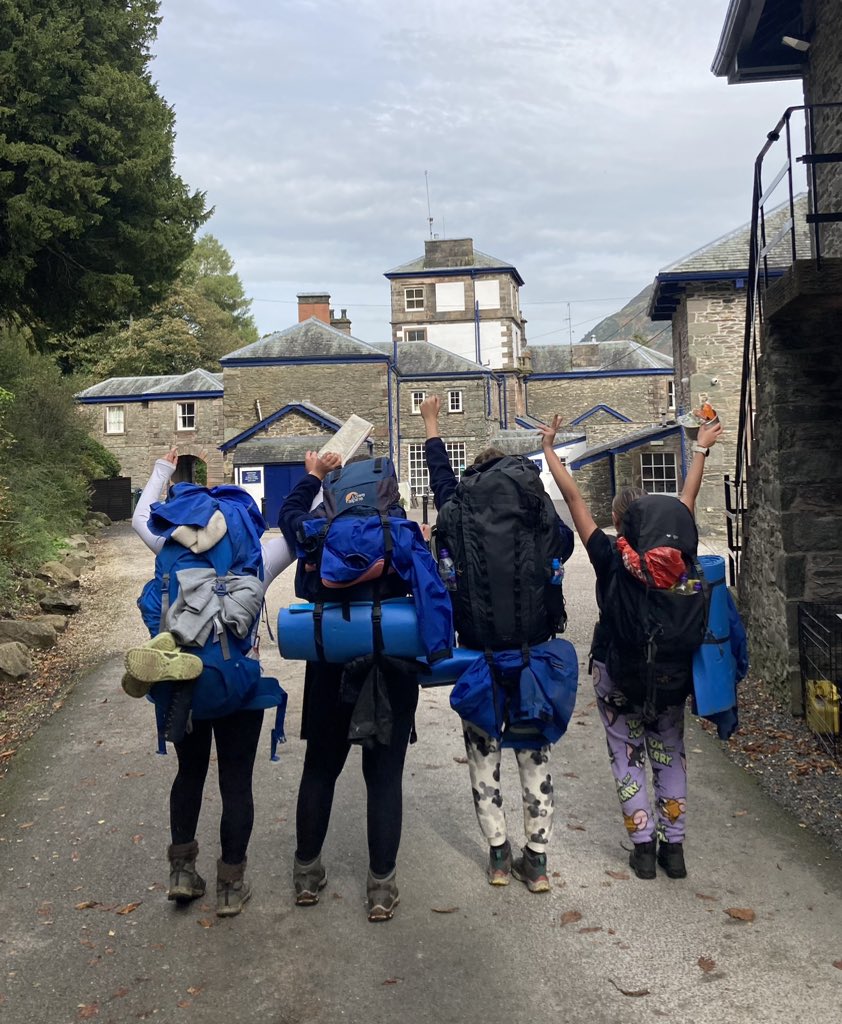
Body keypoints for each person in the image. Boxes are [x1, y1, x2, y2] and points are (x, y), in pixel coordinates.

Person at [537, 415, 723, 880]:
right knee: (670, 750)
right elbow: (687, 499)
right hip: (670, 675)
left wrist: (549, 450)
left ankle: (642, 849)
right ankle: (674, 850)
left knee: (627, 754)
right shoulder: (678, 560)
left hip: (617, 672)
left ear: (620, 522)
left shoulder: (608, 556)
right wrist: (699, 449)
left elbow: (575, 499)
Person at [129, 448, 298, 917]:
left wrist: (162, 466)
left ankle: (182, 872)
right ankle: (230, 885)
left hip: (182, 683)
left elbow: (140, 515)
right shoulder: (254, 554)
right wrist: (318, 475)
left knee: (189, 774)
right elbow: (302, 526)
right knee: (236, 782)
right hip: (236, 682)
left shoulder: (166, 545)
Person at [420, 395, 576, 893]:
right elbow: (567, 545)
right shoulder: (533, 504)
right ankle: (538, 860)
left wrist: (431, 423)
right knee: (534, 755)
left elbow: (441, 481)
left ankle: (497, 857)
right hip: (534, 656)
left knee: (482, 757)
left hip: (480, 657)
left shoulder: (458, 506)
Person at [278, 450, 421, 923]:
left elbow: (286, 515)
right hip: (391, 660)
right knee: (384, 777)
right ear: (387, 486)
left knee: (320, 768)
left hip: (330, 663)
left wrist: (311, 477)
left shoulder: (318, 529)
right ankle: (381, 886)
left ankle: (306, 873)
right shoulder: (400, 529)